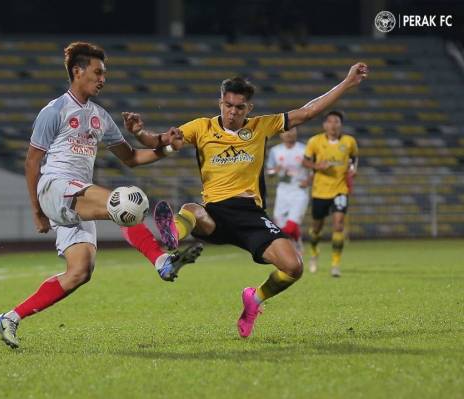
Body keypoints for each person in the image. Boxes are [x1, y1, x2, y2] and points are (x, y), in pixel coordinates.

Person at [123, 62, 368, 338]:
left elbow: (309, 111)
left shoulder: (261, 126)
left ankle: (254, 299)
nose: (232, 112)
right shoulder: (201, 127)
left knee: (293, 267)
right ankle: (172, 238)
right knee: (192, 209)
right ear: (220, 103)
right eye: (228, 105)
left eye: (240, 107)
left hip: (250, 215)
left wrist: (347, 82)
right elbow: (162, 141)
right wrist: (139, 133)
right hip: (215, 213)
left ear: (249, 108)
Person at [0, 42, 201, 349]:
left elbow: (131, 158)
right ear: (77, 71)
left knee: (80, 272)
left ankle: (9, 317)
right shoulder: (55, 111)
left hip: (79, 196)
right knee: (126, 202)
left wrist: (168, 146)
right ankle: (161, 261)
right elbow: (32, 162)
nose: (103, 79)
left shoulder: (100, 116)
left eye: (105, 73)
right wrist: (37, 211)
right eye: (97, 72)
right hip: (56, 187)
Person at [302, 111, 358, 277]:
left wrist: (354, 169)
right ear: (324, 125)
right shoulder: (315, 141)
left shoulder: (349, 142)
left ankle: (335, 264)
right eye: (330, 122)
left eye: (336, 122)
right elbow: (305, 161)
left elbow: (354, 158)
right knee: (316, 228)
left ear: (341, 125)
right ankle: (313, 253)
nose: (333, 125)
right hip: (320, 191)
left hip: (340, 190)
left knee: (338, 224)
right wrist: (317, 166)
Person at [265, 127, 310, 254]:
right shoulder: (275, 151)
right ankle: (296, 243)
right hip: (283, 191)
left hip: (300, 190)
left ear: (296, 132)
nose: (289, 133)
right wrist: (275, 171)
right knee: (280, 225)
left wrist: (308, 180)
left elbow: (313, 169)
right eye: (286, 131)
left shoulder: (304, 149)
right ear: (281, 134)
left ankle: (287, 247)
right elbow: (269, 171)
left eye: (292, 130)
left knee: (290, 227)